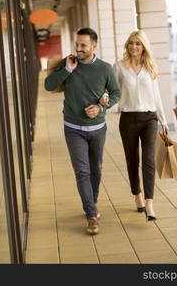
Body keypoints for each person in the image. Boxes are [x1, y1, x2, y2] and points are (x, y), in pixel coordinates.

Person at [45, 27, 121, 235]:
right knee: (82, 172)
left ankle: (92, 202)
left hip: (98, 129)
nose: (78, 48)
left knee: (95, 169)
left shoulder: (105, 69)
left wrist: (101, 107)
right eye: (77, 44)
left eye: (83, 45)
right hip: (73, 129)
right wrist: (67, 70)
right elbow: (48, 85)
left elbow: (116, 93)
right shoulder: (68, 64)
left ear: (94, 45)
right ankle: (91, 215)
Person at [111, 30, 168, 221]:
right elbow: (113, 93)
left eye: (138, 43)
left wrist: (163, 119)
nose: (134, 47)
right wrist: (103, 103)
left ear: (144, 46)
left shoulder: (150, 67)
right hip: (128, 119)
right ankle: (137, 195)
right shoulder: (119, 67)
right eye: (131, 43)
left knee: (149, 159)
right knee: (132, 160)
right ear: (127, 46)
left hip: (149, 119)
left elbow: (157, 95)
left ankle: (150, 204)